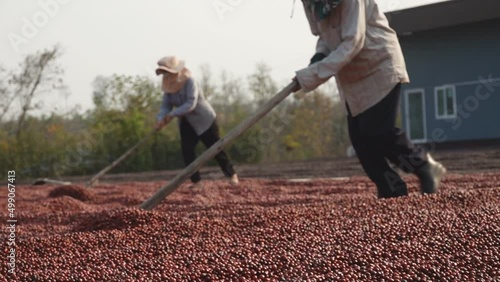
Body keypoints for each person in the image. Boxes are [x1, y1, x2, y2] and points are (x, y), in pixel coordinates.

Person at [293, 0, 446, 198]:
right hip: (351, 75)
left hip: (379, 65)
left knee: (378, 131)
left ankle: (424, 166)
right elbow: (326, 36)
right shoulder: (313, 3)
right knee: (361, 141)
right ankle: (391, 190)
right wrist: (319, 56)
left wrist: (313, 74)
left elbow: (352, 42)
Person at [155, 56, 239, 187]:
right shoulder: (168, 86)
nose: (166, 75)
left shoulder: (190, 82)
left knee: (215, 148)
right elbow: (166, 106)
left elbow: (190, 103)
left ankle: (232, 175)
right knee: (187, 150)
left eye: (167, 72)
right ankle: (197, 182)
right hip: (186, 121)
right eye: (164, 73)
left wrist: (172, 114)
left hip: (204, 119)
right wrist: (160, 119)